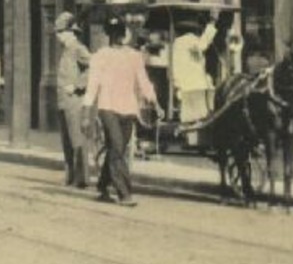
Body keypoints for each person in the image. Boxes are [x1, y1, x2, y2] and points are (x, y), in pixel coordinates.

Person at [84, 15, 159, 207]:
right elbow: (92, 86)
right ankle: (125, 193)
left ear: (125, 34)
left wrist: (155, 103)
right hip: (107, 107)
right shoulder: (100, 56)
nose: (119, 36)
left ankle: (102, 185)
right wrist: (86, 114)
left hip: (128, 108)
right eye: (115, 33)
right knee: (117, 147)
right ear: (109, 35)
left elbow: (143, 82)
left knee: (117, 149)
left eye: (121, 33)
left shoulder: (134, 56)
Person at [54, 12, 96, 189]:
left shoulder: (78, 48)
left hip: (74, 101)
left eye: (61, 31)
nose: (58, 36)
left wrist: (78, 85)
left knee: (77, 140)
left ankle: (81, 179)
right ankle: (71, 177)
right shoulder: (66, 50)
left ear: (71, 32)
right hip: (64, 102)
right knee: (67, 142)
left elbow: (93, 67)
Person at [171, 13, 221, 145]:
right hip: (191, 82)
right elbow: (202, 45)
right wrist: (212, 24)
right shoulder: (188, 40)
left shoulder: (177, 42)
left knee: (208, 88)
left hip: (188, 80)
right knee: (206, 95)